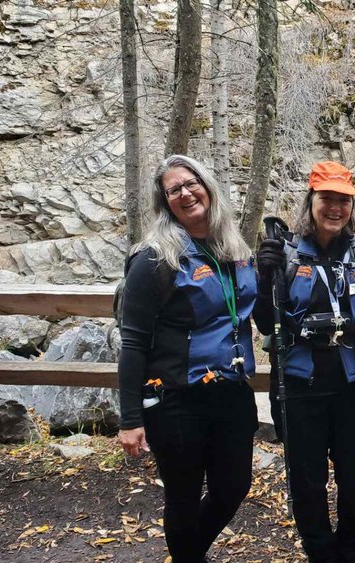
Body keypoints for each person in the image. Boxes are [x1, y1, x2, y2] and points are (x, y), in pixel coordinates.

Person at [253, 161, 355, 563]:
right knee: (307, 482)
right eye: (327, 199)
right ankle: (320, 553)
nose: (335, 208)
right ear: (311, 201)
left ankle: (352, 553)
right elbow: (266, 320)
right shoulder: (284, 253)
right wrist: (265, 278)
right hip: (300, 385)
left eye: (343, 201)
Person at [117, 154, 259, 563]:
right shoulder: (154, 258)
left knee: (234, 486)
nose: (185, 193)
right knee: (182, 497)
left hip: (230, 390)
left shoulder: (232, 248)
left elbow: (256, 309)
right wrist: (130, 419)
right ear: (165, 203)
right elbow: (133, 342)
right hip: (176, 397)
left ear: (208, 186)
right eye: (173, 189)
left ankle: (189, 555)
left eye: (190, 182)